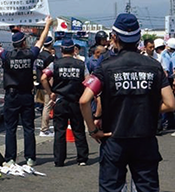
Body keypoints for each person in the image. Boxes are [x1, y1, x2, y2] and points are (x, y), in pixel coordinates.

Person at [79, 13, 175, 192]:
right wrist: (148, 109)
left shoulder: (105, 67)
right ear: (139, 37)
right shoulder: (154, 67)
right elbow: (170, 103)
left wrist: (93, 130)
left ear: (114, 37)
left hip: (114, 139)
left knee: (111, 188)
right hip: (145, 138)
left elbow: (84, 100)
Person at [0, 16, 52, 167]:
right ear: (24, 43)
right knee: (29, 128)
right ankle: (30, 158)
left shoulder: (7, 56)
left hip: (11, 96)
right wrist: (47, 25)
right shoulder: (30, 55)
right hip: (26, 95)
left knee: (10, 128)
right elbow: (41, 41)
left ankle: (10, 158)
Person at [40, 38, 89, 167]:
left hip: (60, 100)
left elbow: (43, 77)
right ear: (74, 50)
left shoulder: (55, 64)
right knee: (78, 130)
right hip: (76, 101)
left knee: (60, 131)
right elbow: (88, 80)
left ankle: (59, 160)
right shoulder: (81, 64)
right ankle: (82, 158)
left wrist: (50, 93)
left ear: (61, 50)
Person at [34, 36, 55, 137]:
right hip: (46, 84)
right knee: (47, 106)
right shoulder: (49, 57)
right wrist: (51, 89)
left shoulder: (39, 55)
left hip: (38, 83)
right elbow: (50, 74)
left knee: (43, 106)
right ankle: (44, 129)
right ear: (51, 44)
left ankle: (44, 128)